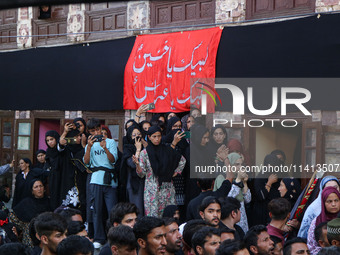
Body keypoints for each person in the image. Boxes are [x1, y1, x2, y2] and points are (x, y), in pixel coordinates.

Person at [135, 126, 186, 217]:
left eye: (159, 136)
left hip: (167, 188)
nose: (157, 139)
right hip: (152, 190)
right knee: (153, 217)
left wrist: (176, 172)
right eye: (154, 136)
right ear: (149, 137)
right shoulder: (145, 153)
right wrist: (137, 165)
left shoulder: (167, 150)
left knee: (169, 216)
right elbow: (141, 174)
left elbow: (182, 160)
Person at [84, 118, 119, 248]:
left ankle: (113, 236)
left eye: (97, 129)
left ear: (100, 128)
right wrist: (88, 147)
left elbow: (113, 160)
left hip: (110, 179)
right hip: (95, 179)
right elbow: (86, 162)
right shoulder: (90, 144)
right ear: (89, 132)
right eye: (92, 131)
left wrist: (105, 148)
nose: (96, 133)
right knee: (96, 210)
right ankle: (99, 238)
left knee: (112, 210)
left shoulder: (110, 142)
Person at [214, 152, 251, 233]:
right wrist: (237, 180)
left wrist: (244, 183)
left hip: (241, 219)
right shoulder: (222, 178)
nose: (240, 167)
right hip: (229, 220)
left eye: (241, 164)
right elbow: (227, 198)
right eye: (237, 164)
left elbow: (248, 199)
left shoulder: (238, 178)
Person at [10, 179, 51, 246]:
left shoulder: (50, 202)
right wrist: (22, 227)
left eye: (41, 186)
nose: (39, 189)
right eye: (36, 187)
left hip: (46, 238)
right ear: (32, 191)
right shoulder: (26, 203)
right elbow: (13, 215)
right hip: (29, 239)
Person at [307, 187, 340, 255]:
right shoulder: (316, 221)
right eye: (329, 201)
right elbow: (312, 247)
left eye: (336, 200)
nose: (333, 204)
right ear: (323, 203)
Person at [252, 154, 283, 226]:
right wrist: (269, 183)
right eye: (269, 165)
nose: (272, 167)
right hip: (261, 212)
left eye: (274, 165)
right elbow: (261, 196)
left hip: (274, 211)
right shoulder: (260, 178)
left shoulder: (278, 177)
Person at [120, 125, 145, 215]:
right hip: (134, 184)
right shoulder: (128, 148)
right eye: (134, 135)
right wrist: (138, 150)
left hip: (147, 182)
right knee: (138, 210)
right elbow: (132, 164)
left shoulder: (145, 147)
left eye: (139, 134)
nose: (137, 137)